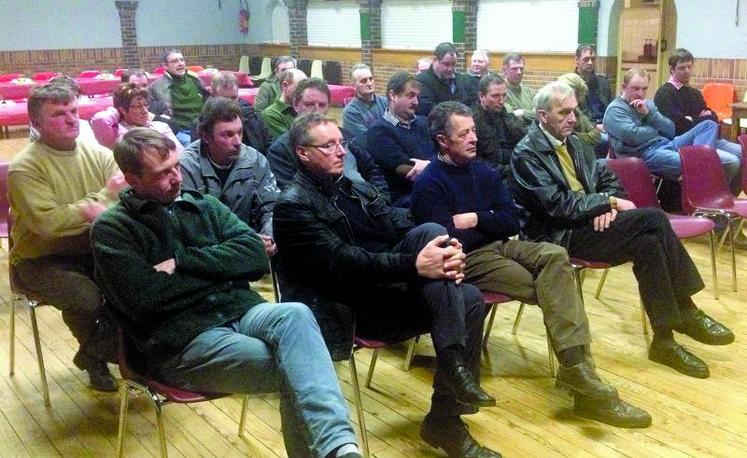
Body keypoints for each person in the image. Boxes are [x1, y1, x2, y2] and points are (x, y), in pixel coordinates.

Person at [91, 128, 363, 458]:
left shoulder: (202, 205)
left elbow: (254, 255)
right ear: (132, 179)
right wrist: (221, 269)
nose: (176, 178)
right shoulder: (113, 229)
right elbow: (145, 298)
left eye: (176, 166)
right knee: (303, 367)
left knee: (296, 313)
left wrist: (183, 261)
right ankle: (337, 448)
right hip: (182, 341)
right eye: (162, 173)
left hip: (240, 311)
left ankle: (339, 448)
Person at [273, 112, 501, 458]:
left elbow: (395, 221)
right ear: (302, 153)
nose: (341, 152)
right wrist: (416, 264)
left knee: (436, 241)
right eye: (328, 145)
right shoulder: (292, 206)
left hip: (383, 289)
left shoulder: (351, 187)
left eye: (342, 143)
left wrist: (445, 242)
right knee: (464, 293)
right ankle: (448, 405)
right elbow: (345, 262)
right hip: (347, 308)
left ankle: (446, 413)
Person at [411, 101, 651, 428]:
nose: (474, 138)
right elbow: (449, 240)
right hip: (470, 259)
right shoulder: (429, 184)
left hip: (502, 244)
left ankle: (576, 373)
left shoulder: (483, 171)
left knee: (555, 257)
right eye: (463, 133)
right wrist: (489, 221)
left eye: (474, 131)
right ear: (442, 140)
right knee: (557, 287)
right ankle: (585, 384)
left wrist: (478, 218)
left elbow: (510, 220)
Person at [511, 81, 735, 379]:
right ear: (542, 116)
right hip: (557, 236)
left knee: (649, 244)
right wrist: (606, 202)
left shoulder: (576, 143)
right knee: (653, 219)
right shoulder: (526, 154)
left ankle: (664, 340)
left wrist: (608, 205)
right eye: (564, 112)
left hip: (588, 224)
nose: (573, 119)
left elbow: (608, 179)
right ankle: (686, 309)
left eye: (574, 112)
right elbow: (558, 206)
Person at [9, 84, 127, 392]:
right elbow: (48, 223)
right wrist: (97, 202)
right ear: (36, 123)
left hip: (93, 249)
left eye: (74, 111)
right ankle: (99, 360)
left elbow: (122, 199)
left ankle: (95, 353)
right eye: (59, 114)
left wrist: (95, 206)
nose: (72, 119)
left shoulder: (101, 155)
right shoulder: (24, 167)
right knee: (85, 298)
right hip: (40, 259)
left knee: (143, 284)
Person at [604, 68, 740, 187]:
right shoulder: (615, 110)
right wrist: (655, 130)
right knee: (729, 162)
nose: (640, 93)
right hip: (646, 154)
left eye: (644, 89)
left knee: (709, 125)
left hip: (667, 143)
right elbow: (633, 137)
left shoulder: (647, 105)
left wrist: (649, 114)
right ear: (624, 87)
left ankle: (700, 160)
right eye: (635, 88)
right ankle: (703, 179)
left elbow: (670, 130)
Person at [181, 97, 279, 257]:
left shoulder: (255, 160)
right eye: (227, 135)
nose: (238, 141)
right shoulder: (186, 166)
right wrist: (243, 245)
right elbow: (191, 226)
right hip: (205, 252)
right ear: (205, 136)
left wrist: (268, 238)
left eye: (240, 132)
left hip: (249, 244)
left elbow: (272, 207)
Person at [266, 77, 388, 197]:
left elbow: (372, 170)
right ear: (296, 105)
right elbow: (292, 196)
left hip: (370, 204)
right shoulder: (281, 149)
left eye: (322, 105)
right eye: (309, 104)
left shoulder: (344, 135)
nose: (316, 111)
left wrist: (382, 199)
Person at [653, 48, 742, 194]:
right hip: (684, 141)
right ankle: (710, 197)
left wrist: (693, 119)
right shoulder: (664, 94)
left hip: (709, 137)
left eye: (689, 66)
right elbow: (679, 126)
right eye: (682, 68)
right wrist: (700, 119)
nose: (687, 71)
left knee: (742, 152)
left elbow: (712, 117)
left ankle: (730, 196)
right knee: (732, 161)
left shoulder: (694, 93)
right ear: (671, 69)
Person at [366, 71, 436, 207]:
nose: (416, 102)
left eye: (417, 96)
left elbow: (443, 154)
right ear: (393, 95)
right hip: (405, 198)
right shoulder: (378, 132)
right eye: (410, 96)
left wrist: (429, 165)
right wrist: (436, 165)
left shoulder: (424, 123)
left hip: (433, 187)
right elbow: (409, 171)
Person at [90, 83, 181, 150]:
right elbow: (100, 119)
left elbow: (180, 154)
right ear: (123, 110)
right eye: (138, 106)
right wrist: (118, 112)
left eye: (146, 105)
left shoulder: (161, 126)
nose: (145, 111)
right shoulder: (117, 132)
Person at [148, 49, 210, 145]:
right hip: (178, 131)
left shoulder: (196, 80)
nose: (180, 63)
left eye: (182, 60)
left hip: (202, 128)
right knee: (193, 145)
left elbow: (208, 101)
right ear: (165, 66)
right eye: (174, 61)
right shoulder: (156, 87)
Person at [471, 74, 526, 180]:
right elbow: (474, 161)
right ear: (482, 96)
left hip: (515, 169)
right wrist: (511, 170)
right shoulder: (472, 122)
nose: (501, 101)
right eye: (495, 96)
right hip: (492, 177)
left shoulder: (506, 115)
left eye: (504, 95)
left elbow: (523, 140)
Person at [207, 72, 271, 153]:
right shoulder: (204, 123)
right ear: (213, 96)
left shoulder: (250, 114)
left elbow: (268, 142)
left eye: (234, 98)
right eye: (224, 99)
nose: (230, 103)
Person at [416, 42, 475, 116]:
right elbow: (428, 109)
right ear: (435, 60)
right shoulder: (422, 81)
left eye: (453, 64)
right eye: (446, 64)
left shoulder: (463, 80)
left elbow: (474, 102)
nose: (450, 69)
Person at [557, 73, 603, 158]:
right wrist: (583, 136)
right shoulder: (556, 112)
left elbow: (596, 136)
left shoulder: (577, 110)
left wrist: (574, 136)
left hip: (580, 155)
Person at [341, 63, 388, 140]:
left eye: (371, 79)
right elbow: (367, 139)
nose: (369, 83)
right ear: (353, 86)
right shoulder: (350, 112)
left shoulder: (386, 102)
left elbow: (397, 125)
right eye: (363, 81)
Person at [260, 68, 307, 141]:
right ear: (285, 86)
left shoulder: (305, 107)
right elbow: (291, 144)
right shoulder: (270, 115)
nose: (304, 93)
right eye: (300, 88)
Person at [574, 45, 612, 125]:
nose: (590, 63)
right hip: (585, 128)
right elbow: (573, 116)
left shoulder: (604, 83)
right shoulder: (570, 85)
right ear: (577, 60)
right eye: (586, 59)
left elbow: (611, 109)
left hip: (606, 124)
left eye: (593, 59)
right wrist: (594, 126)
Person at [502, 53, 536, 126]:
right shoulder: (499, 94)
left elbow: (541, 114)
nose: (519, 72)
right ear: (504, 70)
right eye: (514, 68)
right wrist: (531, 113)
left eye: (521, 68)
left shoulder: (530, 92)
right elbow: (510, 118)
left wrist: (522, 112)